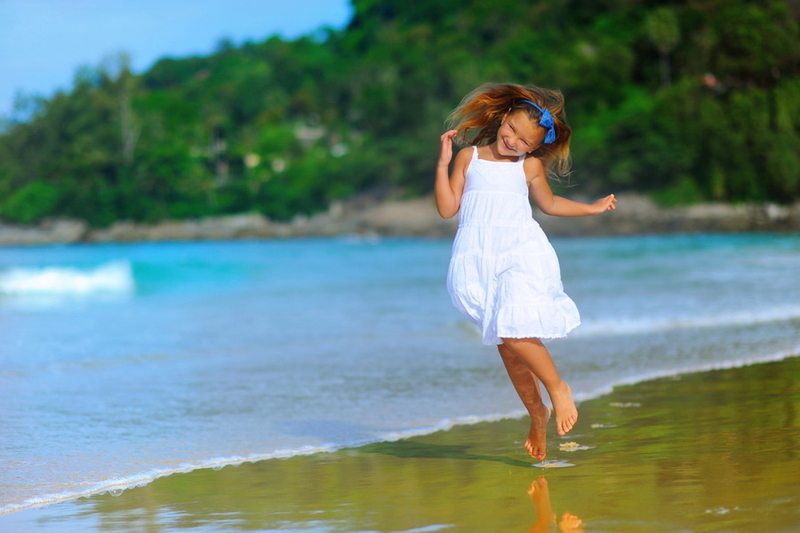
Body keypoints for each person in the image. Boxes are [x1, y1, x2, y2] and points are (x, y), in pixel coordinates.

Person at [435, 83, 616, 460]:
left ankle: (558, 388)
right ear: (503, 118)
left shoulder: (528, 166)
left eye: (524, 141)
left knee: (514, 330)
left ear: (534, 147)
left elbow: (550, 204)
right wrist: (442, 163)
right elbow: (448, 208)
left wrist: (592, 208)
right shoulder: (469, 157)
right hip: (477, 258)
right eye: (511, 130)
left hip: (520, 250)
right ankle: (537, 413)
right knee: (508, 346)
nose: (513, 141)